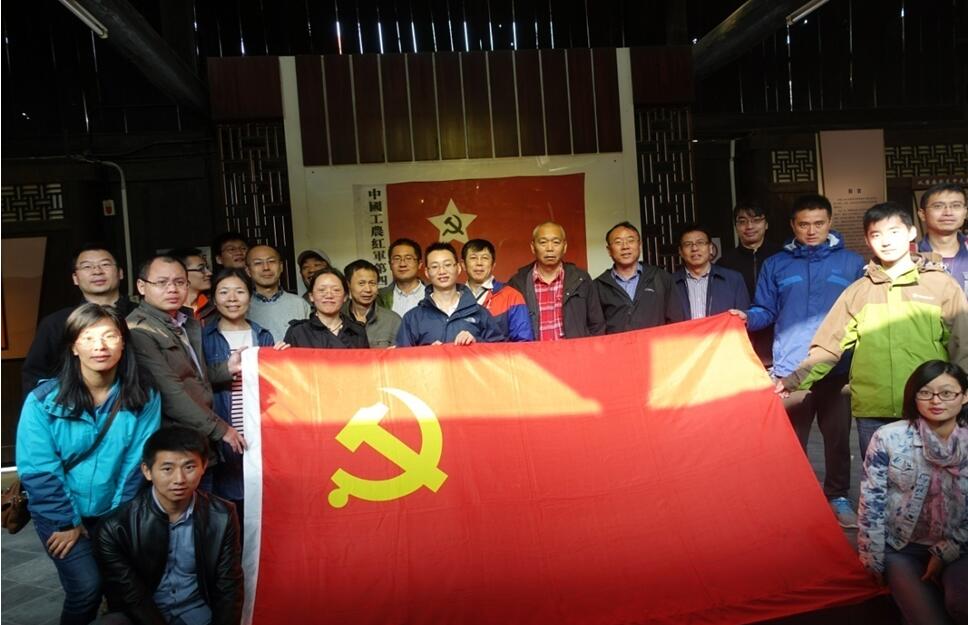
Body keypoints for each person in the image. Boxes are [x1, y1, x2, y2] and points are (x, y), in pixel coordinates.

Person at [779, 202, 968, 460]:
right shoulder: (858, 291)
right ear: (867, 240)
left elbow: (962, 345)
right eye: (876, 234)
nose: (886, 241)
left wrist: (961, 395)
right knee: (877, 480)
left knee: (933, 479)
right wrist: (791, 380)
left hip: (929, 406)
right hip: (873, 411)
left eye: (894, 232)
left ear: (912, 233)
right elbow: (828, 347)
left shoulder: (941, 285)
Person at [16, 303, 160, 625]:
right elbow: (39, 470)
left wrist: (115, 518)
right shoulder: (43, 401)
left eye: (110, 336)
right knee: (85, 588)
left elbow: (136, 462)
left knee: (121, 587)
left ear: (123, 342)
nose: (100, 346)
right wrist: (66, 522)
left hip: (114, 509)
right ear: (74, 346)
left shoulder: (144, 396)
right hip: (59, 513)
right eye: (89, 337)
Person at [744, 194, 866, 527]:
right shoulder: (776, 265)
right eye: (804, 224)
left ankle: (838, 497)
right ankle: (793, 499)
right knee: (790, 442)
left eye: (818, 223)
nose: (811, 231)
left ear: (830, 222)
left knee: (837, 439)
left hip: (837, 368)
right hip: (791, 368)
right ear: (792, 226)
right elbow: (765, 310)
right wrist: (745, 318)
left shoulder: (853, 264)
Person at [93, 427, 244, 625]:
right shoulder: (115, 527)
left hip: (198, 613)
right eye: (167, 469)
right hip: (144, 615)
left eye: (189, 467)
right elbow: (131, 595)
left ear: (204, 466)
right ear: (147, 471)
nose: (179, 479)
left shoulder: (222, 515)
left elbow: (229, 585)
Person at [857, 360, 968, 625]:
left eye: (947, 393)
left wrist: (946, 552)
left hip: (961, 545)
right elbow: (872, 501)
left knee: (961, 605)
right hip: (901, 547)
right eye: (925, 392)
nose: (935, 401)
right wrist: (872, 557)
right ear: (913, 396)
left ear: (964, 396)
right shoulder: (888, 437)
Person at [127, 255, 247, 458]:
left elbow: (192, 375)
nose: (172, 289)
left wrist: (226, 369)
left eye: (179, 282)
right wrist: (220, 429)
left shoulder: (185, 322)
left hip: (199, 436)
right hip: (173, 442)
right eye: (162, 282)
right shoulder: (139, 330)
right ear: (141, 286)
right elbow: (170, 392)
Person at [202, 269, 279, 517]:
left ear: (250, 296)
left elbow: (275, 389)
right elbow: (194, 384)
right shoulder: (202, 338)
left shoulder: (263, 335)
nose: (232, 298)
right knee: (224, 509)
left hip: (258, 433)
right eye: (224, 292)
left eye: (240, 291)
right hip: (221, 434)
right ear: (214, 299)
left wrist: (282, 362)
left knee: (261, 505)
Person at [23, 243, 135, 393]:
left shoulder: (142, 315)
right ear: (75, 278)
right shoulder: (56, 323)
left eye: (105, 264)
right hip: (74, 403)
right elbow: (34, 374)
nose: (97, 271)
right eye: (87, 267)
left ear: (120, 273)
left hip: (139, 399)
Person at [509, 222, 605, 340]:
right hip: (534, 351)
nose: (550, 248)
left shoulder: (581, 279)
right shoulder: (517, 283)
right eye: (543, 242)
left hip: (574, 350)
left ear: (564, 247)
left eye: (556, 242)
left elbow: (597, 325)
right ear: (533, 247)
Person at [396, 243, 504, 347]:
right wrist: (427, 352)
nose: (442, 271)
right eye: (435, 266)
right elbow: (402, 357)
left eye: (447, 265)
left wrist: (476, 342)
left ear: (458, 268)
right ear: (427, 273)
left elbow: (500, 351)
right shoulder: (413, 318)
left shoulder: (479, 313)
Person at [717, 203, 781, 365]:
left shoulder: (782, 257)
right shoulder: (724, 263)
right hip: (739, 341)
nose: (749, 226)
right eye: (742, 221)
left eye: (756, 220)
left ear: (766, 224)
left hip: (778, 340)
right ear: (736, 226)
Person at [595, 221, 683, 334]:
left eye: (631, 240)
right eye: (618, 242)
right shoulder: (598, 286)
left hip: (655, 345)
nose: (625, 246)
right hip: (617, 346)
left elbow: (676, 321)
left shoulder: (661, 278)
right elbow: (596, 329)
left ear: (639, 245)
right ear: (609, 250)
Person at [461, 238, 533, 341]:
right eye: (473, 258)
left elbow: (523, 342)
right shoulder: (454, 297)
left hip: (501, 353)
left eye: (485, 258)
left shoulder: (511, 297)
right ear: (463, 265)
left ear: (493, 265)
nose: (479, 263)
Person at [672, 225, 749, 319]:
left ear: (711, 248)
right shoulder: (669, 283)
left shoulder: (734, 280)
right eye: (688, 244)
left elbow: (744, 318)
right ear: (680, 251)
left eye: (700, 243)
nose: (694, 248)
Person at [285, 268, 369, 348]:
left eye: (336, 290)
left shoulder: (357, 331)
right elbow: (287, 359)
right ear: (311, 296)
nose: (329, 295)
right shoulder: (298, 332)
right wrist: (280, 353)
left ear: (345, 296)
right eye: (322, 290)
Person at [245, 244, 311, 343]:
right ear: (248, 271)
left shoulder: (300, 304)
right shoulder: (242, 307)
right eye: (258, 263)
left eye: (271, 261)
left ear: (281, 267)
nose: (266, 267)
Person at [916, 183, 968, 294]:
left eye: (956, 206)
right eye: (938, 206)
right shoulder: (910, 257)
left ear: (965, 213)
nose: (948, 213)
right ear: (922, 214)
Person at [343, 259, 402, 347]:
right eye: (361, 283)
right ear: (348, 284)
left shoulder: (392, 320)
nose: (368, 289)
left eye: (372, 283)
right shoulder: (338, 317)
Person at [377, 238, 425, 317]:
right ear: (390, 264)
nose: (402, 264)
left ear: (419, 264)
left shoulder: (434, 294)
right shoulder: (379, 297)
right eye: (397, 259)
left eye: (408, 258)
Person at [169, 247, 216, 325]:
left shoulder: (216, 303)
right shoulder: (169, 308)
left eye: (207, 268)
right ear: (180, 273)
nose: (209, 273)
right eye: (201, 269)